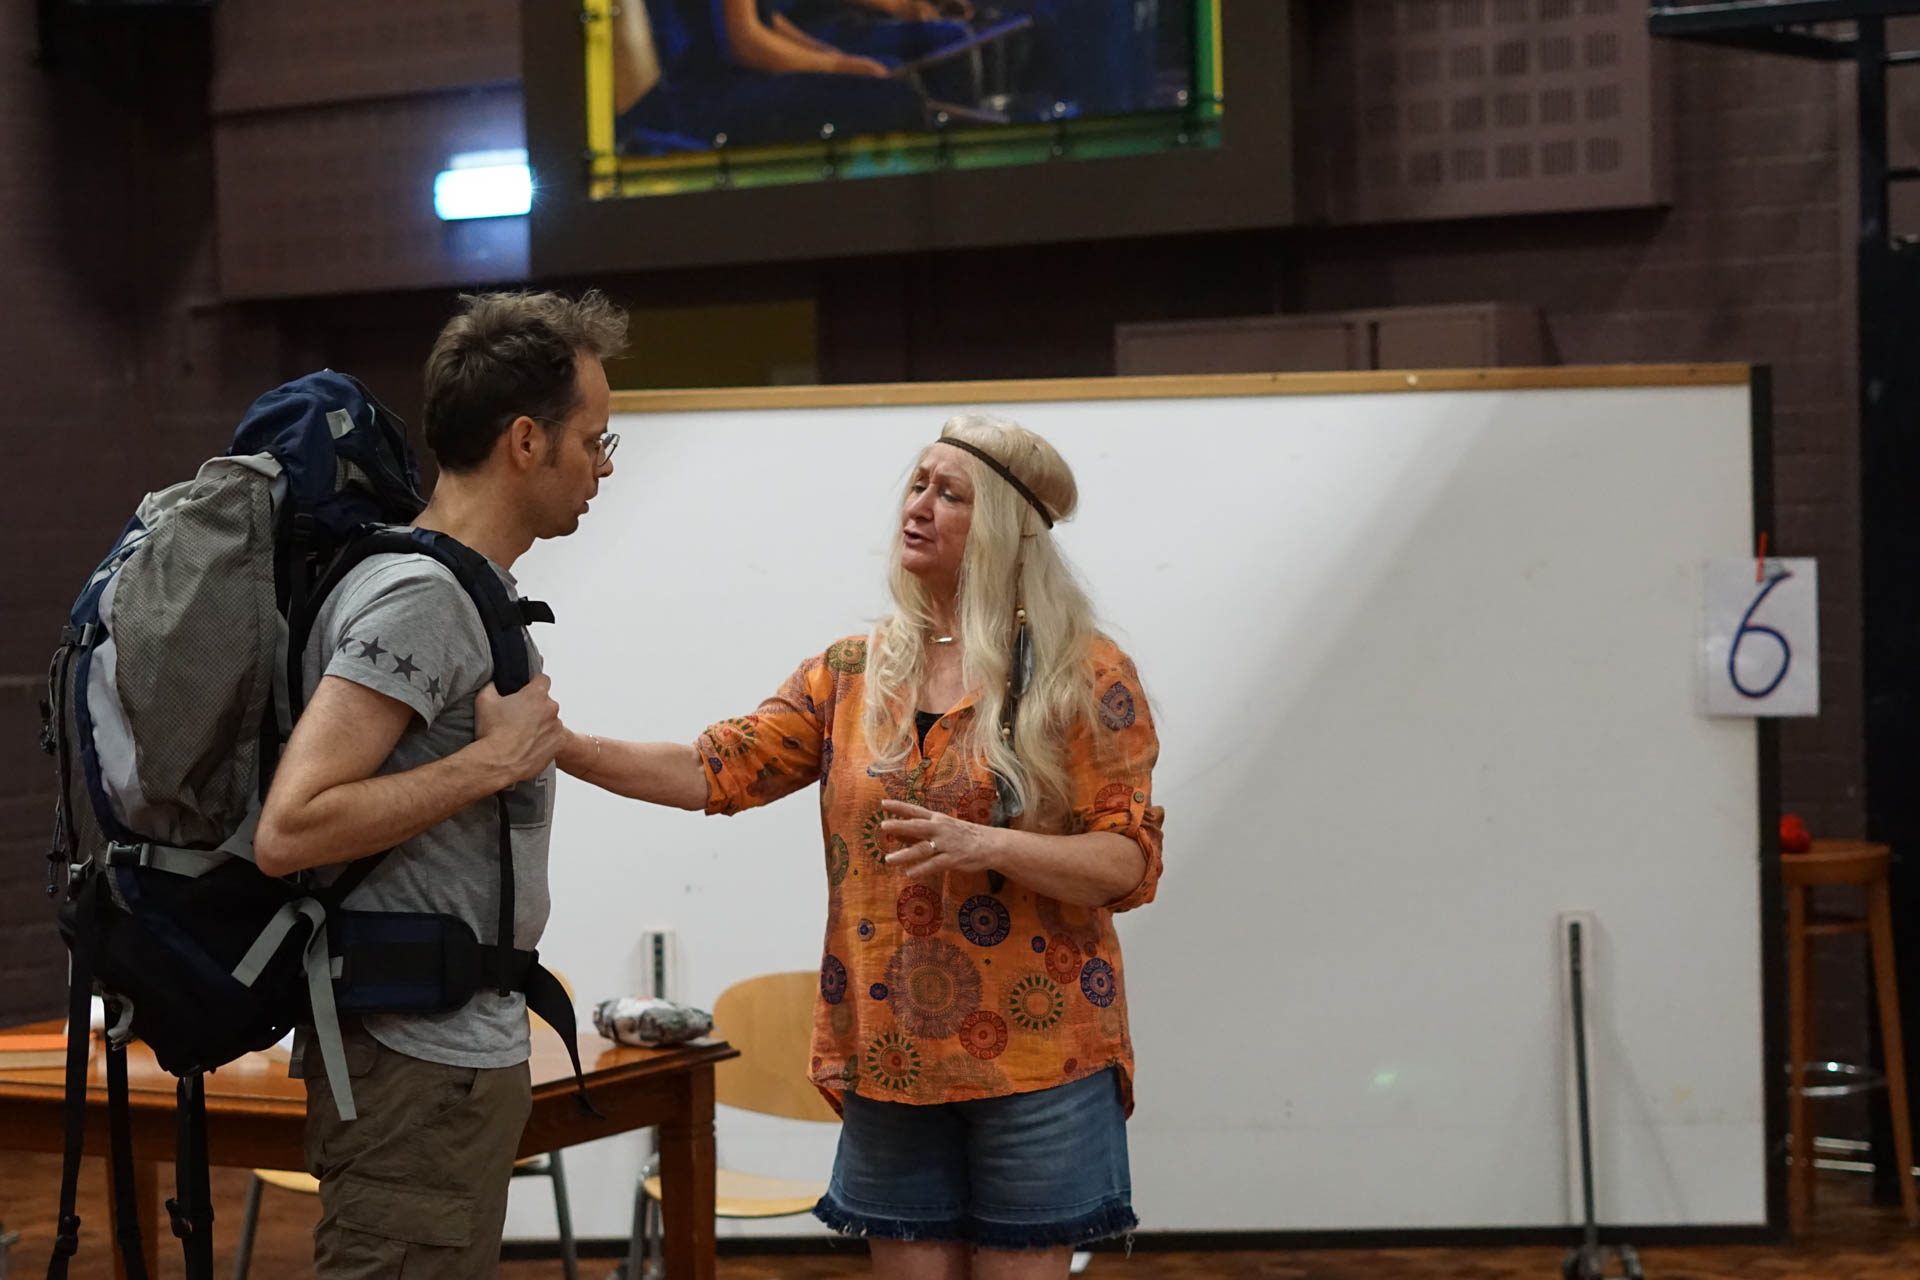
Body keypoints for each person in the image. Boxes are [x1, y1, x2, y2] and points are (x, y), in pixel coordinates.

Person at [561, 413, 1164, 1278]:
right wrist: (564, 747)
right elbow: (712, 769)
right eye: (917, 484)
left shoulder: (1086, 674)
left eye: (949, 494)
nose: (917, 506)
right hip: (892, 1056)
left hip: (1041, 1057)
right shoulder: (851, 673)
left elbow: (1125, 862)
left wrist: (986, 844)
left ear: (1005, 527)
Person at [253, 290, 628, 1279]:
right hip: (416, 1065)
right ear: (524, 442)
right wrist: (490, 763)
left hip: (447, 1058)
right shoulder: (421, 597)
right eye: (593, 439)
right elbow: (292, 825)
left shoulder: (460, 587)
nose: (602, 465)